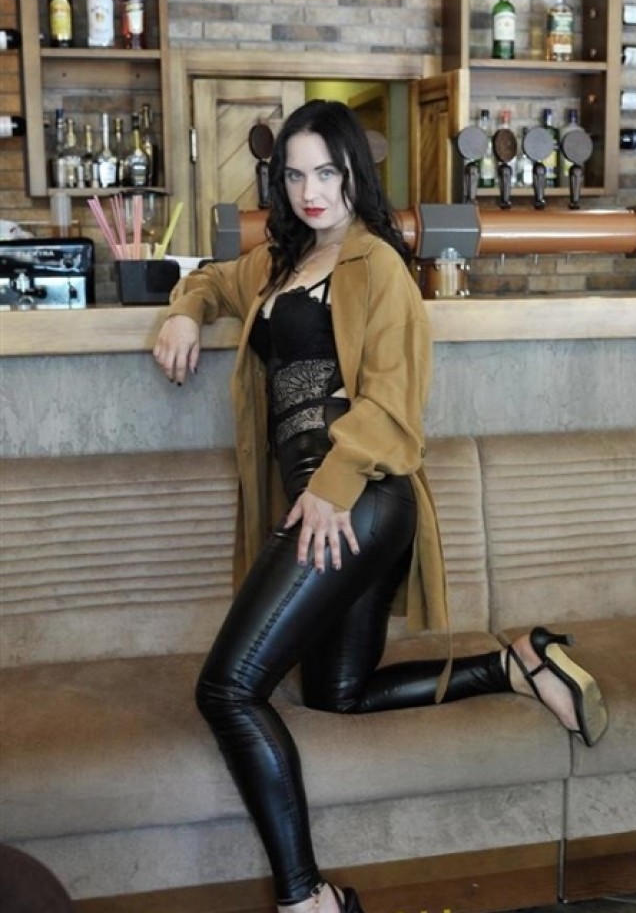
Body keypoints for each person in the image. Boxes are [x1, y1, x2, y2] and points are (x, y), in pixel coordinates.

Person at [152, 100, 608, 913]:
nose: (310, 191)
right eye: (295, 175)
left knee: (227, 689)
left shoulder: (378, 267)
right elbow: (212, 281)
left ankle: (306, 899)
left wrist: (330, 491)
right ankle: (516, 663)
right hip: (328, 503)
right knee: (336, 694)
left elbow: (397, 405)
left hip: (355, 499)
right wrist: (185, 312)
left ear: (354, 175)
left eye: (326, 172)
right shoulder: (280, 263)